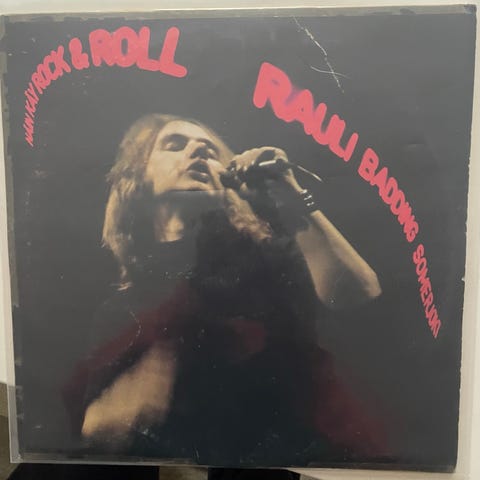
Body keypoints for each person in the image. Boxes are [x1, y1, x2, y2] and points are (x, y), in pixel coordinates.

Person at [65, 114, 383, 466]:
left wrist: (291, 195)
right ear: (139, 177)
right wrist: (134, 396)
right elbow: (94, 427)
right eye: (175, 144)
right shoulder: (122, 307)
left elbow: (358, 291)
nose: (198, 150)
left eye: (210, 149)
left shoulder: (266, 255)